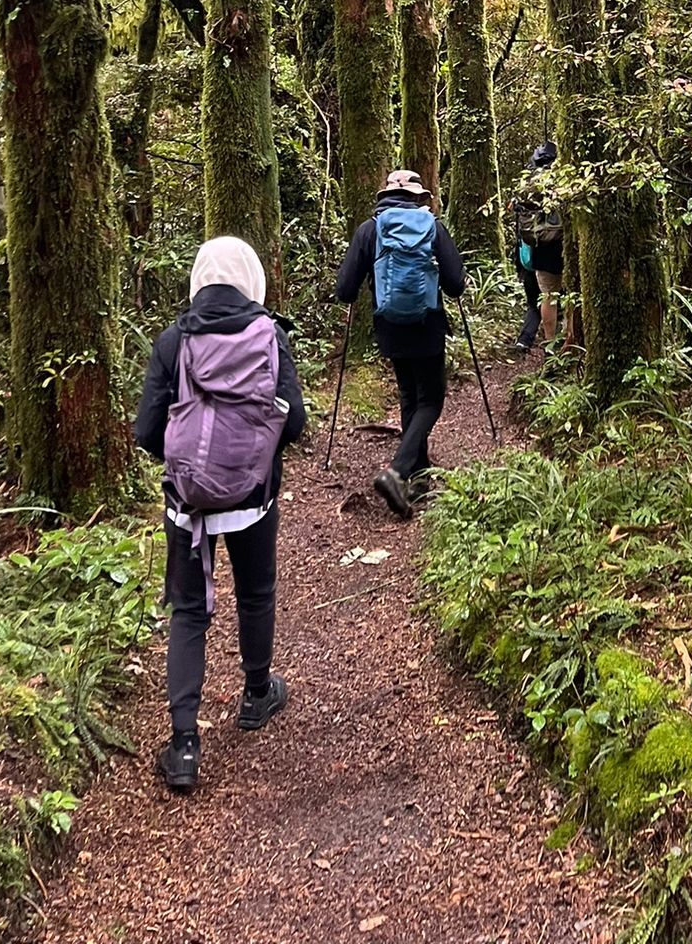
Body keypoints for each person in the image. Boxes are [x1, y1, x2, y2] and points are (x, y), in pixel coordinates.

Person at [134, 235, 305, 796]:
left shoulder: (172, 342)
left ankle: (183, 744)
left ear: (200, 280)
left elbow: (146, 431)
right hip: (254, 494)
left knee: (188, 610)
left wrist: (190, 465)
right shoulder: (270, 336)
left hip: (187, 505)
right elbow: (295, 424)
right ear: (249, 279)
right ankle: (257, 694)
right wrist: (249, 455)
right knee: (256, 590)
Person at [335, 168, 466, 519]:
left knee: (411, 396)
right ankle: (397, 471)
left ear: (386, 196)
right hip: (428, 325)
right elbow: (456, 285)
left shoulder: (370, 229)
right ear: (417, 196)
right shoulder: (432, 226)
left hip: (390, 327)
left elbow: (344, 289)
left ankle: (418, 479)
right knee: (432, 399)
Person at [513, 141, 564, 350]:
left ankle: (549, 345)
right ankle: (568, 341)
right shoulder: (563, 179)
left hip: (537, 250)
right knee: (569, 295)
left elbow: (517, 215)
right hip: (562, 246)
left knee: (547, 296)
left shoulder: (527, 183)